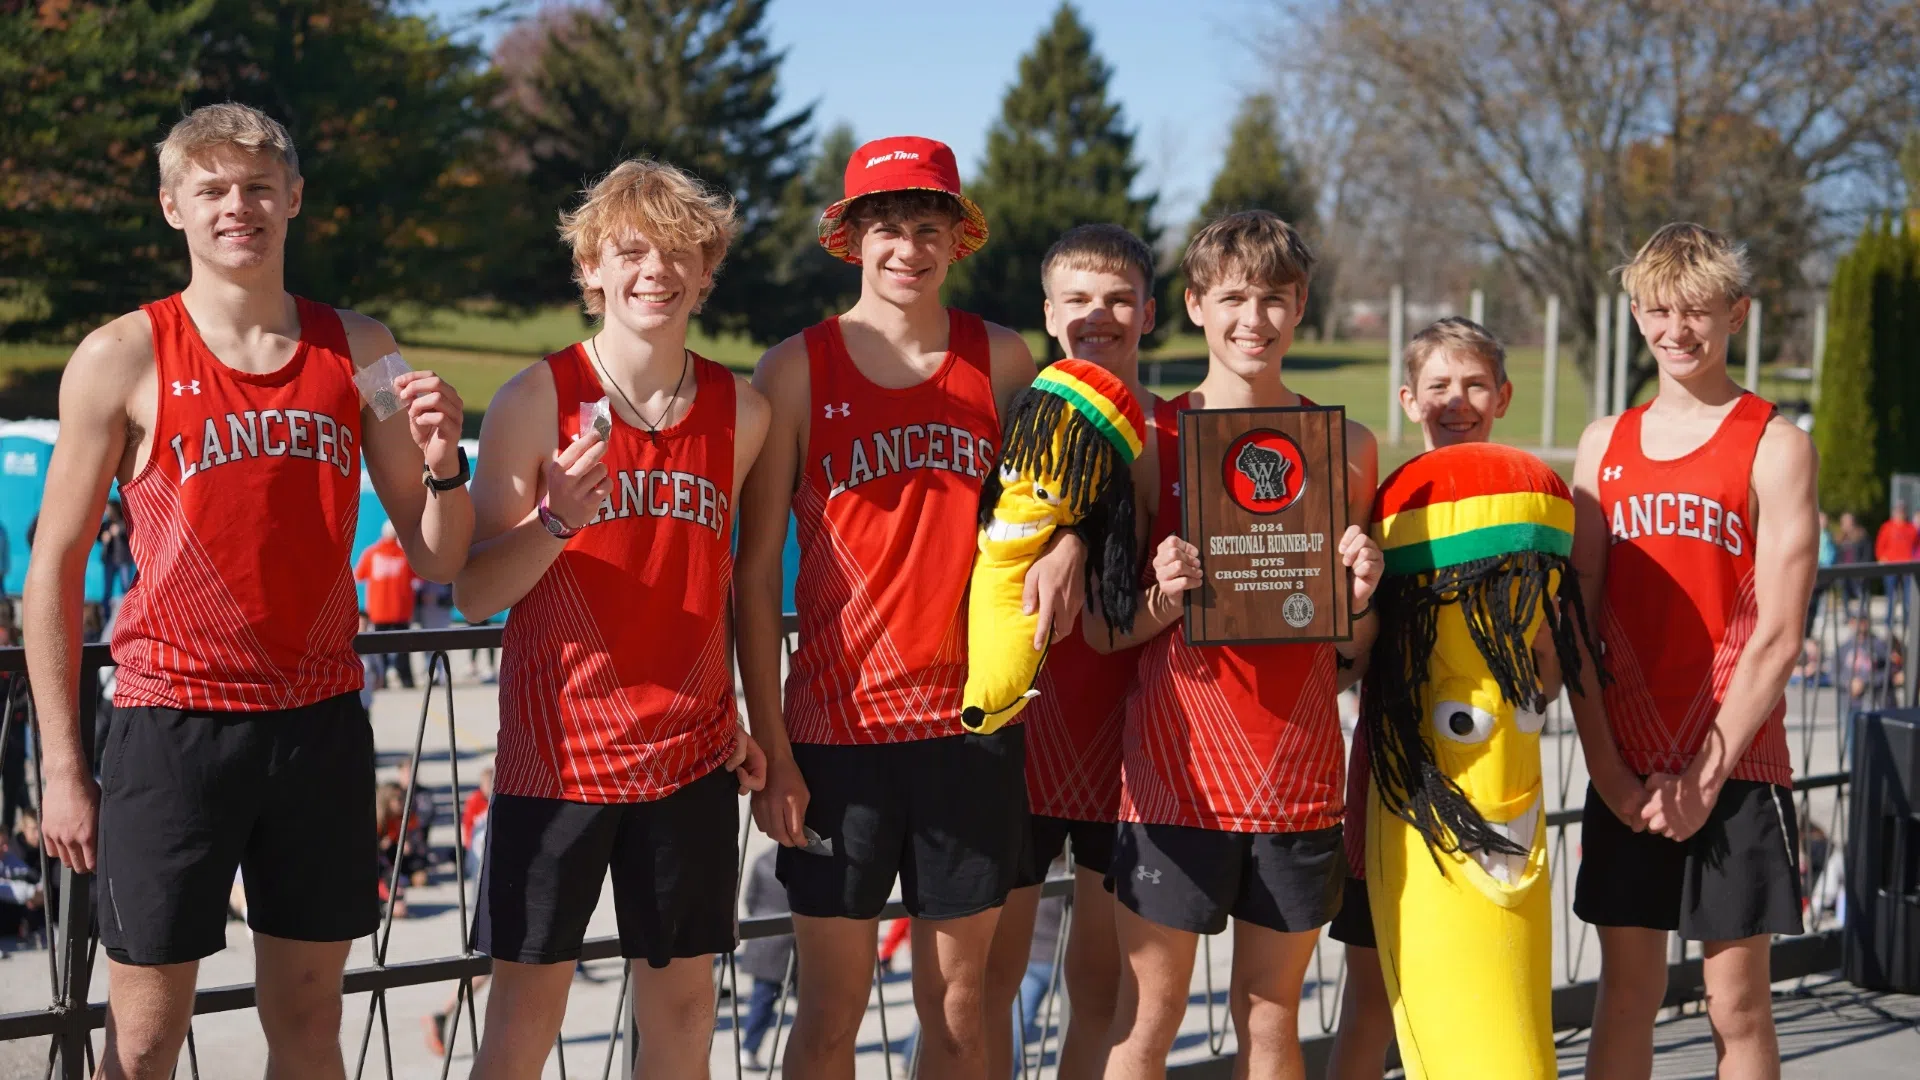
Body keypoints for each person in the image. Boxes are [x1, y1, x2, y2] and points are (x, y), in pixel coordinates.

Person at [25, 103, 472, 1080]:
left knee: (312, 1034)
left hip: (319, 727)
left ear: (295, 198)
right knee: (141, 1043)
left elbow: (437, 557)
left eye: (260, 187)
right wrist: (63, 765)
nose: (240, 207)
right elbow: (52, 566)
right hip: (171, 728)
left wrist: (444, 465)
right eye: (215, 189)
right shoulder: (121, 355)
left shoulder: (367, 347)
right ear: (172, 206)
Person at [736, 135, 1087, 1080]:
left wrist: (1070, 544)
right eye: (887, 228)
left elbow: (1054, 498)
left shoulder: (1004, 360)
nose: (908, 249)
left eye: (928, 227)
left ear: (957, 239)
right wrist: (769, 746)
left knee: (962, 1006)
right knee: (831, 1011)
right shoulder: (795, 369)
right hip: (834, 735)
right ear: (851, 239)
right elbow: (757, 564)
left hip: (967, 728)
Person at [451, 158, 769, 1080]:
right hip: (558, 762)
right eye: (631, 251)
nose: (655, 272)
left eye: (680, 253)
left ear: (707, 274)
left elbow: (723, 584)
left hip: (690, 759)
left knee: (681, 1022)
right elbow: (473, 594)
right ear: (591, 269)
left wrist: (739, 711)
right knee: (522, 1024)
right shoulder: (533, 400)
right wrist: (555, 522)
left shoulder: (741, 411)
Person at [1090, 210, 1384, 1080]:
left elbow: (1351, 656)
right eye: (1233, 298)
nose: (1253, 319)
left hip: (1296, 774)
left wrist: (1360, 599)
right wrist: (1163, 596)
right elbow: (1106, 630)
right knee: (1147, 1019)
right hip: (1173, 775)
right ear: (1192, 305)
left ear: (1301, 310)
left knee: (1269, 1020)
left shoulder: (1349, 450)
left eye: (1275, 299)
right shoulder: (1151, 439)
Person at [1566, 223, 1818, 1080]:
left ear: (1736, 314)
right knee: (1625, 997)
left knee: (1736, 1006)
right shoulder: (1604, 444)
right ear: (1635, 313)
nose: (1678, 330)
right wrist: (1607, 769)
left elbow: (1781, 634)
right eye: (1660, 310)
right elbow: (1578, 615)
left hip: (1737, 761)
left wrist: (1706, 778)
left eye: (1699, 312)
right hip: (1626, 765)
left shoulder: (1775, 444)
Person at [1325, 316, 1561, 1079]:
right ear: (1407, 399)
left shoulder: (1529, 507)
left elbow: (1552, 664)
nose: (1455, 402)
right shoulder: (1385, 507)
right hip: (1394, 781)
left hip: (1494, 780)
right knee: (1371, 991)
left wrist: (1522, 691)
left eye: (1473, 385)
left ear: (1503, 395)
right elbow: (1350, 657)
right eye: (1437, 387)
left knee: (1493, 978)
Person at [980, 223, 1162, 1080]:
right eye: (1080, 301)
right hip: (1016, 735)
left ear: (1150, 314)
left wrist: (1085, 540)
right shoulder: (1019, 417)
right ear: (1050, 314)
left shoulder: (1168, 430)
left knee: (1097, 985)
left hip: (1122, 740)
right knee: (985, 985)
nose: (1101, 316)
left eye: (1120, 299)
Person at [736, 846, 795, 1072]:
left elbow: (750, 899)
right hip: (793, 943)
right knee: (812, 1001)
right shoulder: (802, 863)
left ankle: (748, 1049)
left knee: (762, 999)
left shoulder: (762, 860)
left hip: (764, 941)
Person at [356, 520, 417, 688]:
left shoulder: (371, 553)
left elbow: (359, 575)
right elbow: (419, 578)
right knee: (405, 648)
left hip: (378, 610)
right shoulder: (406, 555)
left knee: (379, 649)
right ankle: (406, 680)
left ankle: (380, 681)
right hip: (401, 610)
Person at [1875, 502, 1916, 624]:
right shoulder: (1887, 527)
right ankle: (1889, 620)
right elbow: (1880, 546)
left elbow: (1917, 547)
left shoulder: (1911, 528)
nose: (1900, 513)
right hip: (1891, 567)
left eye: (1902, 510)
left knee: (1907, 596)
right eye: (1898, 510)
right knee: (1891, 596)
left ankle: (1907, 620)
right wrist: (1881, 558)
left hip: (1907, 567)